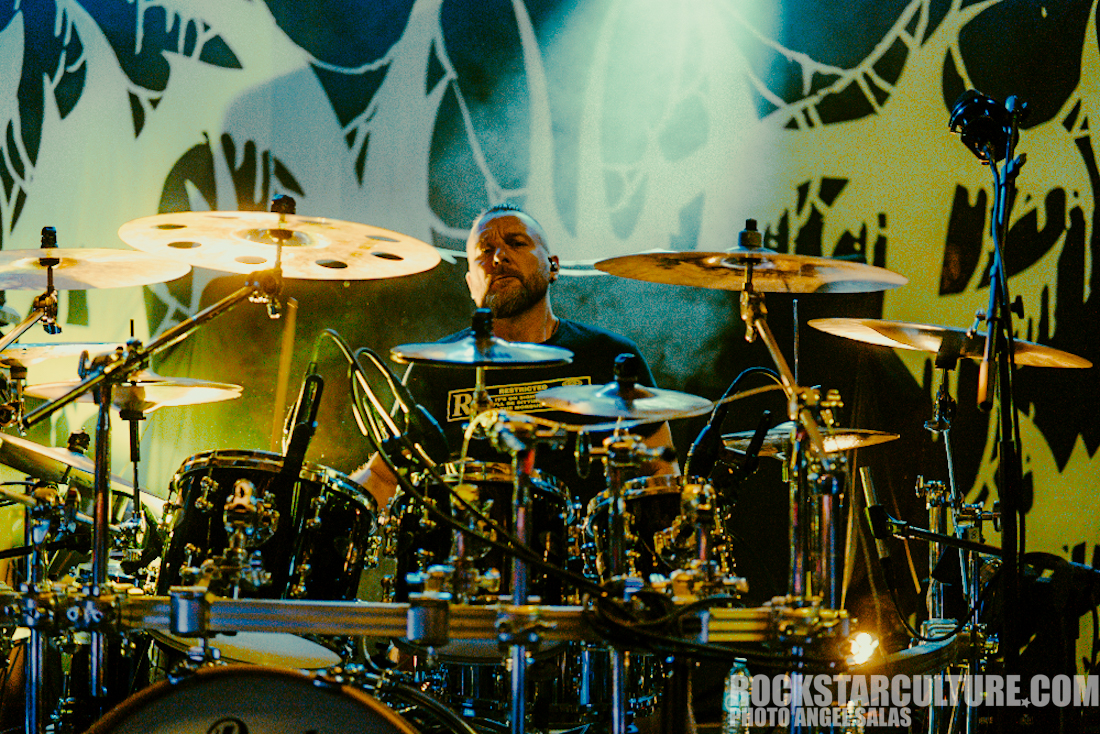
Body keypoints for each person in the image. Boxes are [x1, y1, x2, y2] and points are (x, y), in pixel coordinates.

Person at [352, 203, 678, 508]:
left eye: (516, 243)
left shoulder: (610, 356)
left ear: (553, 267)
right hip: (465, 544)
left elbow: (660, 470)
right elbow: (383, 478)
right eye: (485, 251)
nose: (499, 257)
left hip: (579, 548)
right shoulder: (435, 367)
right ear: (471, 284)